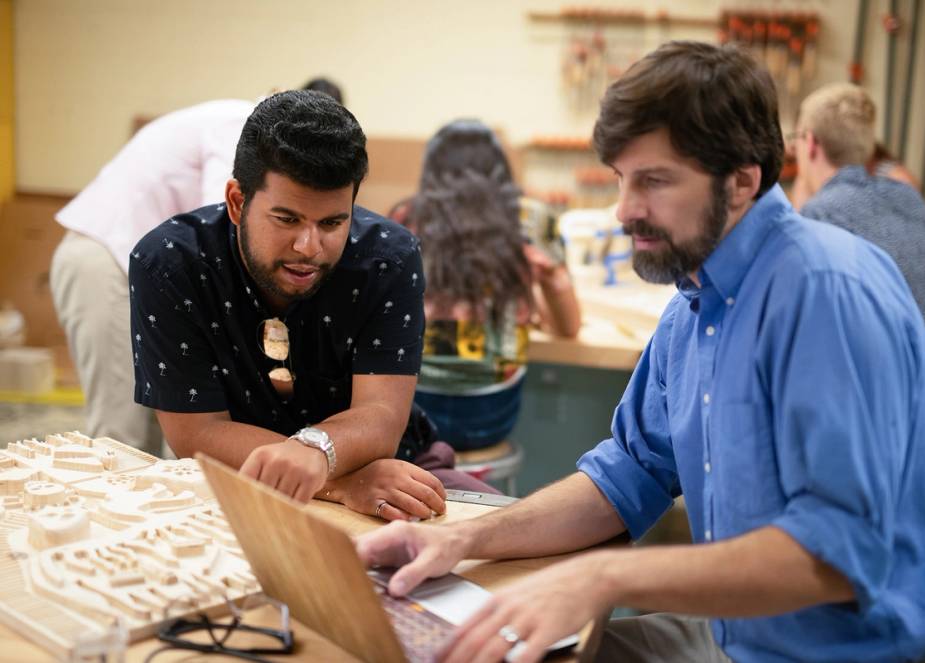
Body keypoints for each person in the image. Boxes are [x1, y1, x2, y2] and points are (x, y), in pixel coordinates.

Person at [356, 41, 925, 663]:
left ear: (741, 182)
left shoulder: (822, 290)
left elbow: (840, 553)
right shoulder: (693, 305)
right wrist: (464, 540)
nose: (624, 210)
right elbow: (629, 473)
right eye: (624, 179)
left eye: (653, 181)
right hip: (741, 638)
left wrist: (601, 578)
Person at [129, 90, 488, 520]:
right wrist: (335, 482)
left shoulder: (389, 259)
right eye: (287, 220)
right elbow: (198, 433)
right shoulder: (169, 264)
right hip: (242, 481)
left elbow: (382, 417)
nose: (309, 247)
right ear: (238, 202)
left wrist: (318, 454)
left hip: (389, 470)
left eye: (333, 223)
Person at [50, 78, 344, 457]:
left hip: (139, 267)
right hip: (104, 258)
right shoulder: (244, 130)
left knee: (185, 426)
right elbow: (222, 229)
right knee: (122, 438)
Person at [391, 120, 581, 450]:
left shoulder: (406, 218)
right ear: (500, 169)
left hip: (411, 412)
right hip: (490, 414)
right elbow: (568, 328)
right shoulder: (530, 219)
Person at [791, 82, 925, 381]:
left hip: (878, 413)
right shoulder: (907, 198)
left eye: (796, 138)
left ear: (810, 143)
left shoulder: (823, 213)